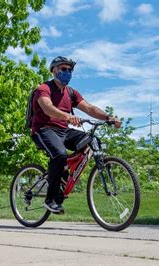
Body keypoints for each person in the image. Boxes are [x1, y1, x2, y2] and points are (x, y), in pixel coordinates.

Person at [31, 56, 121, 214]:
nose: (67, 72)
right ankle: (50, 199)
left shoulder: (71, 93)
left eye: (69, 70)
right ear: (54, 71)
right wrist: (68, 117)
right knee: (59, 154)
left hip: (64, 131)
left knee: (92, 140)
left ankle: (65, 171)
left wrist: (109, 118)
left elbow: (90, 108)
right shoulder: (44, 88)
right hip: (44, 130)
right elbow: (47, 108)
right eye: (63, 69)